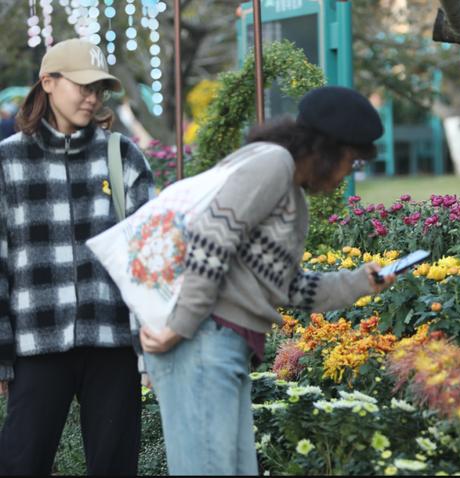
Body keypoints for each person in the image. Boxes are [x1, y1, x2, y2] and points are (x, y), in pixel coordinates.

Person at [139, 85, 394, 475]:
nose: (348, 174)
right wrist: (180, 326)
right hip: (204, 338)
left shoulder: (289, 191)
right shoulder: (273, 164)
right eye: (352, 162)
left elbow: (287, 287)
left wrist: (362, 282)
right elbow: (211, 235)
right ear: (330, 151)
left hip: (225, 342)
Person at [0, 38, 154, 475]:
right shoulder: (8, 162)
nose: (92, 97)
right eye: (82, 86)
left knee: (115, 466)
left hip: (113, 344)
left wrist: (147, 351)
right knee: (20, 463)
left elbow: (147, 260)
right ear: (47, 82)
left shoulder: (122, 155)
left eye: (99, 88)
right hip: (37, 341)